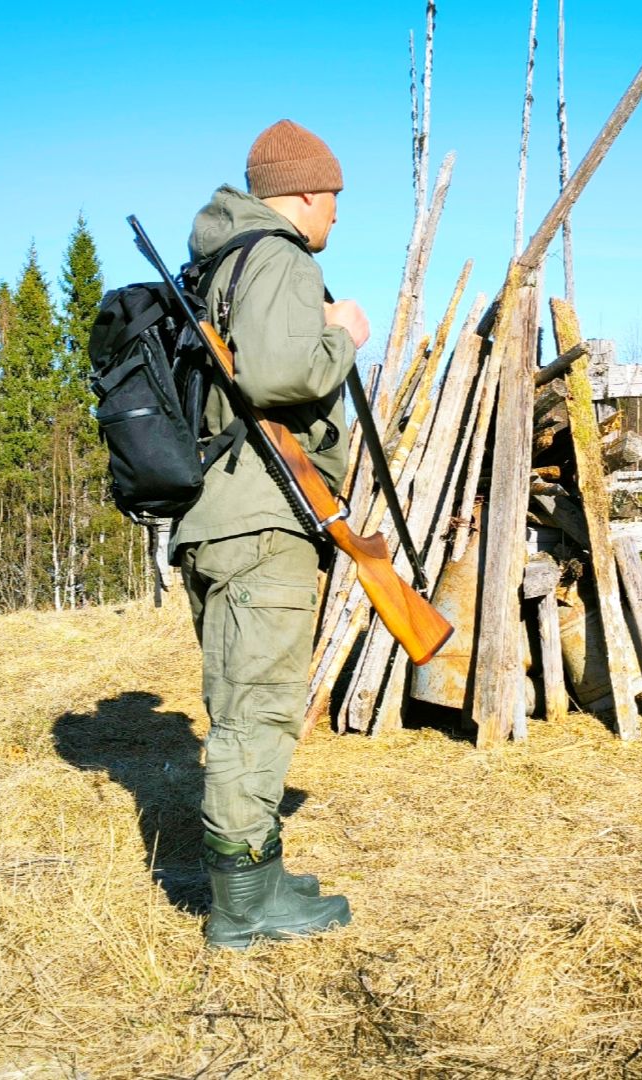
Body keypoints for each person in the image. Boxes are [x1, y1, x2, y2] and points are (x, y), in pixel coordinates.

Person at [175, 119, 371, 949]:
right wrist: (344, 335)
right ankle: (245, 907)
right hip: (261, 518)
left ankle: (254, 870)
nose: (335, 217)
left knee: (239, 701)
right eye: (330, 200)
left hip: (218, 515)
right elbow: (278, 373)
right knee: (258, 712)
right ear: (300, 195)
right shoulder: (280, 257)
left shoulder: (221, 261)